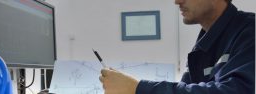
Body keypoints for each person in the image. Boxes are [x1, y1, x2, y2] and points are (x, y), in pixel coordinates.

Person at [99, 0, 255, 94]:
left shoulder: (250, 31)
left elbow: (235, 91)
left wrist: (138, 88)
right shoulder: (201, 48)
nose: (177, 1)